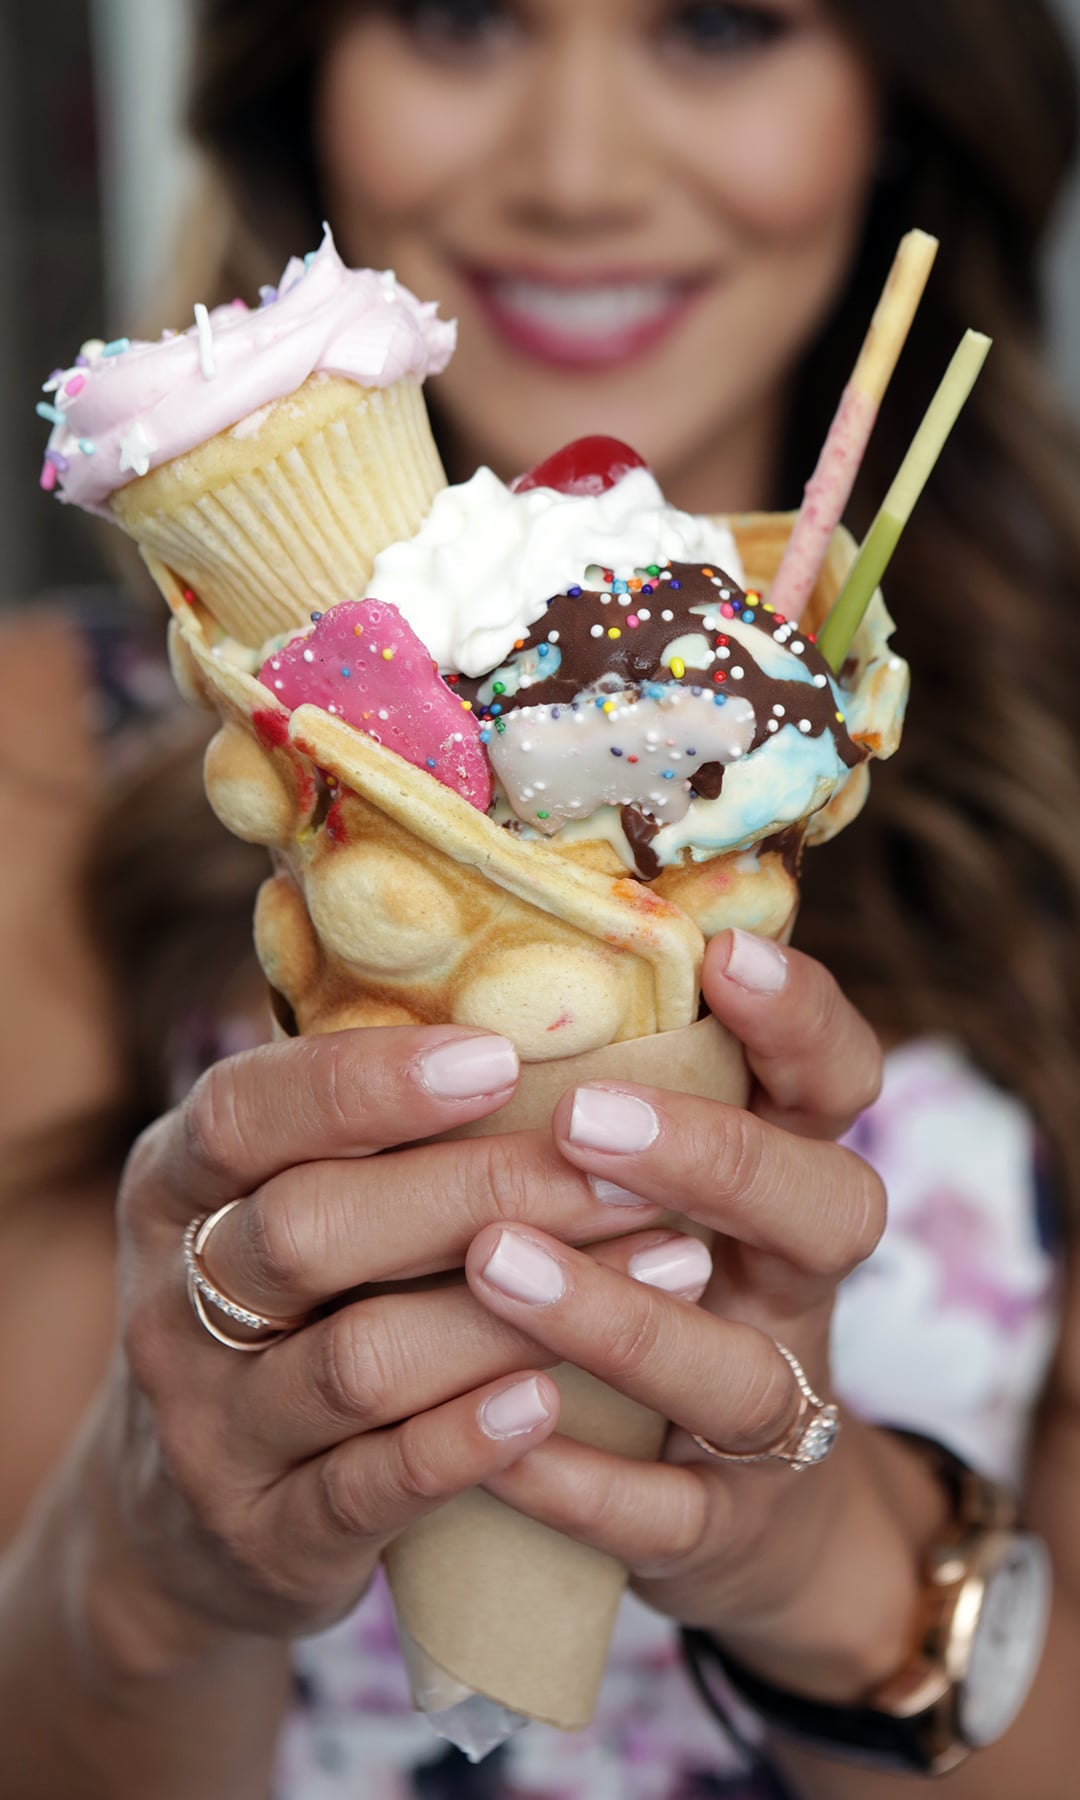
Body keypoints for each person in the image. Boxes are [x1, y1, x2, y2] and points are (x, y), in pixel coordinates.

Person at [2, 0, 1080, 1795]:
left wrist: (836, 1574)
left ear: (896, 95)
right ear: (308, 89)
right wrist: (162, 1562)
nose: (576, 174)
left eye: (723, 27)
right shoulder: (51, 764)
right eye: (459, 18)